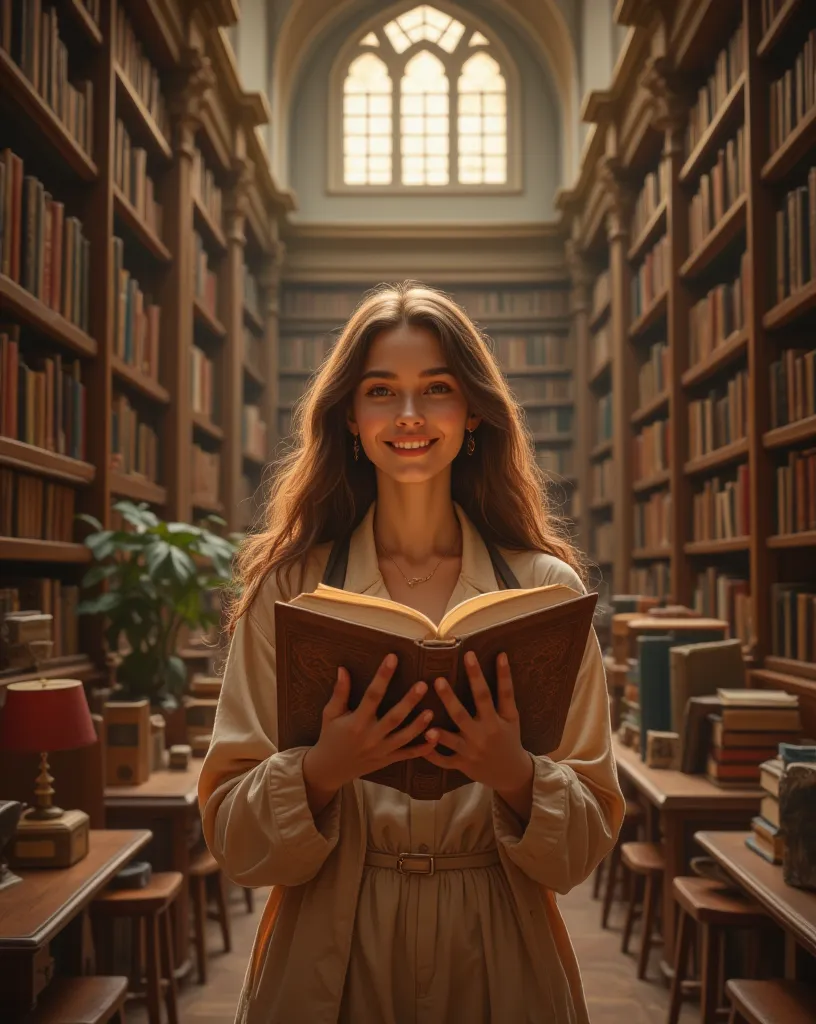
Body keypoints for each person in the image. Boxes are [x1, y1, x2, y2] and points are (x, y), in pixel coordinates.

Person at [199, 282, 625, 1024]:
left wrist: (516, 777)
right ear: (350, 420)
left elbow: (585, 844)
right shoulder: (290, 588)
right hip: (332, 945)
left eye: (436, 389)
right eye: (380, 392)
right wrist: (323, 770)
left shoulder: (545, 591)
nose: (408, 416)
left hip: (499, 947)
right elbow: (234, 842)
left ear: (473, 416)